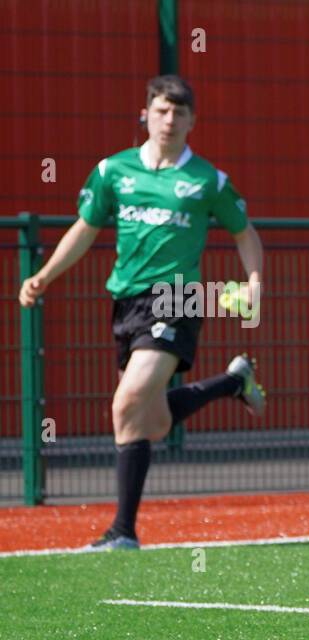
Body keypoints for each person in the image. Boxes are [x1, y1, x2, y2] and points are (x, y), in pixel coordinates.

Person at [17, 75, 266, 550]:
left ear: (193, 120)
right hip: (127, 301)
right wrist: (44, 275)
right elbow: (85, 229)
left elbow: (244, 233)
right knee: (150, 422)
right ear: (145, 114)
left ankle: (122, 532)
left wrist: (253, 283)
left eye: (179, 112)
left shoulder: (207, 180)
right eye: (161, 110)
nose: (169, 119)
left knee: (125, 404)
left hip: (179, 298)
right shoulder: (114, 171)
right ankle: (235, 381)